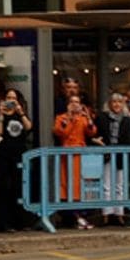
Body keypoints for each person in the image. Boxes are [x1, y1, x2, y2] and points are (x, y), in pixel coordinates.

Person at [0, 90, 33, 233]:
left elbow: (29, 127)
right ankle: (4, 223)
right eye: (8, 98)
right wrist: (0, 115)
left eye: (14, 98)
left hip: (18, 155)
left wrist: (20, 112)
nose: (11, 101)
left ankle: (21, 221)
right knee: (4, 188)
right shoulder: (0, 114)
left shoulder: (20, 114)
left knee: (19, 187)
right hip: (4, 155)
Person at [93, 93, 130, 224]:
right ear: (109, 104)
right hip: (106, 154)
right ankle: (106, 214)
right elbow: (97, 134)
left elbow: (129, 138)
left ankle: (119, 214)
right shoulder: (102, 117)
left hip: (121, 155)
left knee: (120, 185)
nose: (117, 105)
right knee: (106, 185)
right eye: (114, 102)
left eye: (119, 102)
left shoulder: (127, 119)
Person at [52, 96, 95, 228]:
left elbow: (92, 132)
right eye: (72, 102)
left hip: (81, 156)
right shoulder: (61, 117)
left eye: (77, 102)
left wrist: (88, 117)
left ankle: (81, 216)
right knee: (67, 186)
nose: (75, 104)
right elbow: (60, 132)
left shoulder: (83, 118)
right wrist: (69, 118)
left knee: (82, 186)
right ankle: (72, 217)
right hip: (67, 156)